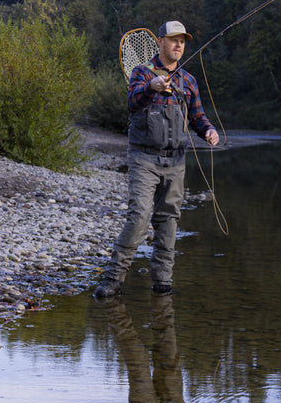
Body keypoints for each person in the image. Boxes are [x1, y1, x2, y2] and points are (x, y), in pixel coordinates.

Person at [94, 20, 219, 299]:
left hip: (175, 161)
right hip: (143, 159)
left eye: (183, 41)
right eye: (174, 39)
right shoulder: (141, 73)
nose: (179, 45)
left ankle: (162, 283)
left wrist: (208, 131)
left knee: (168, 220)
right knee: (138, 217)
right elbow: (132, 103)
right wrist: (152, 86)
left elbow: (197, 117)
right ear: (160, 42)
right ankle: (113, 279)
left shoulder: (188, 81)